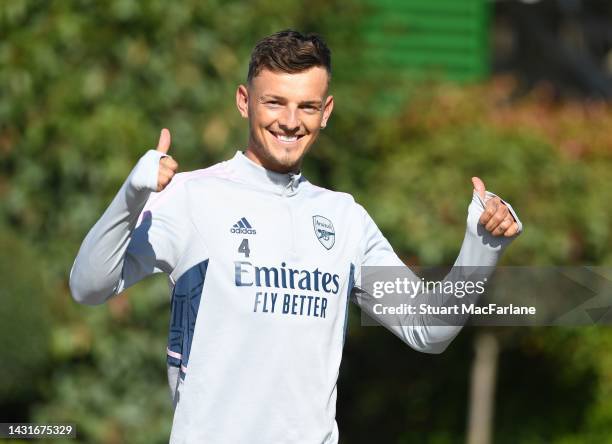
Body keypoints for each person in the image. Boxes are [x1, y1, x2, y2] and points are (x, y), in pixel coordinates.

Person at [69, 29, 522, 444]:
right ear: (244, 101)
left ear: (325, 112)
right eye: (274, 102)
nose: (290, 121)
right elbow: (88, 286)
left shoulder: (345, 217)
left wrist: (482, 245)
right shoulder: (192, 196)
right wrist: (130, 196)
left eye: (306, 106)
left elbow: (429, 329)